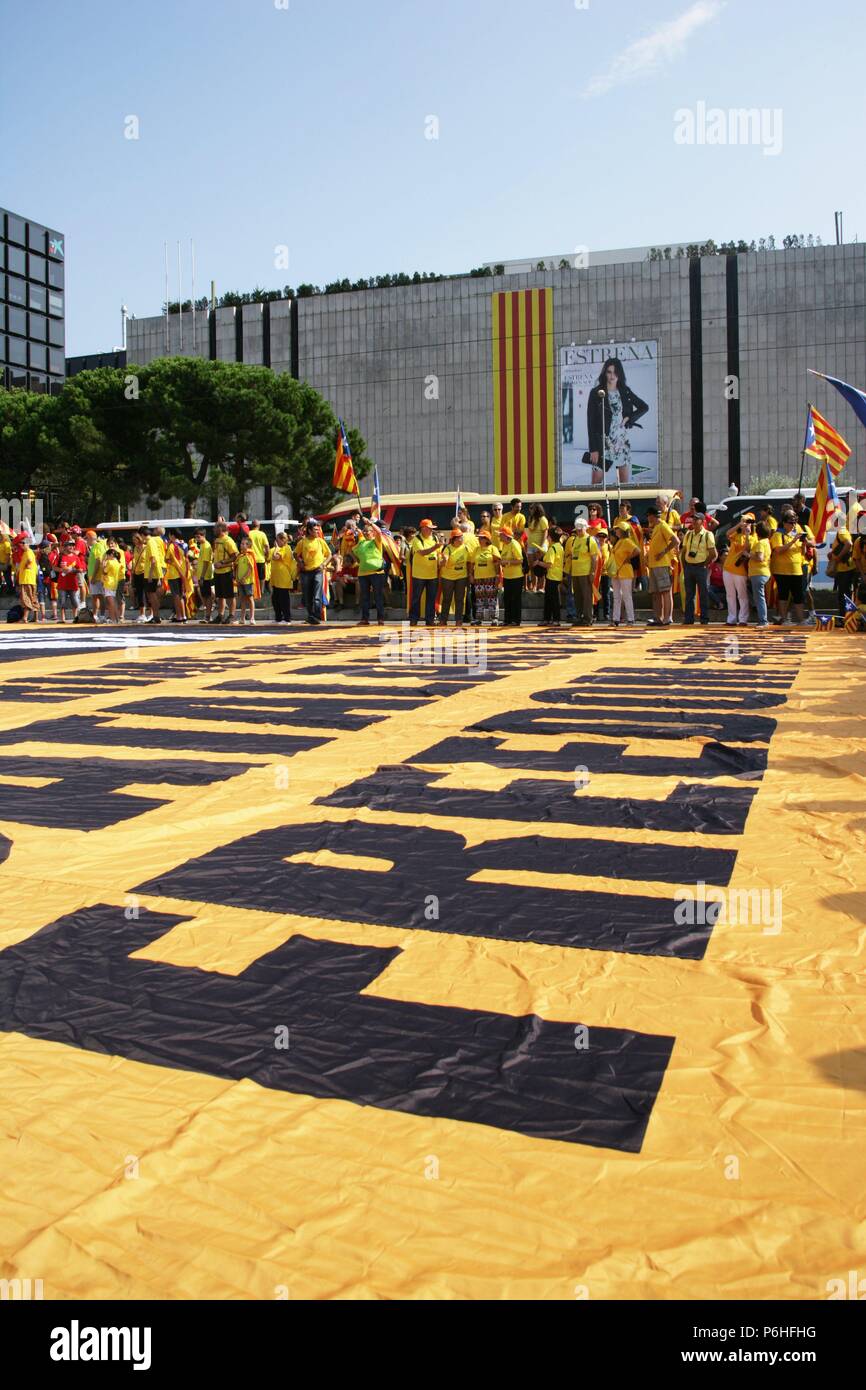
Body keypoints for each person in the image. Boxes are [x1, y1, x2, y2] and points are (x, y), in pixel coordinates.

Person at [587, 357, 649, 486]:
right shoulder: (596, 393)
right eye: (609, 372)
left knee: (624, 484)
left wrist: (629, 418)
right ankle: (596, 507)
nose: (612, 375)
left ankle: (623, 506)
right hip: (602, 442)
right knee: (595, 483)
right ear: (605, 373)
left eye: (615, 372)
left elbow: (644, 407)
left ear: (619, 374)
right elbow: (591, 422)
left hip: (621, 441)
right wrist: (593, 449)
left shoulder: (625, 391)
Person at [771, 511, 812, 625]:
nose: (793, 525)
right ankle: (784, 619)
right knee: (783, 595)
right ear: (784, 523)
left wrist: (804, 544)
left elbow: (802, 553)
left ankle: (801, 619)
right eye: (790, 522)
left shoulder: (797, 534)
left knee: (798, 596)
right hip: (782, 571)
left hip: (797, 570)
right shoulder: (778, 535)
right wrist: (793, 541)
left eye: (794, 522)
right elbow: (778, 550)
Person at [680, 510, 717, 625]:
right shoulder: (688, 534)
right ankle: (689, 618)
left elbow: (713, 553)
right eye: (693, 519)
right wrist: (685, 565)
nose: (694, 521)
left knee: (703, 593)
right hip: (689, 567)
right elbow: (684, 551)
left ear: (703, 522)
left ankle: (704, 618)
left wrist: (705, 564)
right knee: (689, 594)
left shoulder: (707, 535)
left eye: (697, 519)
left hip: (701, 567)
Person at [644, 507, 678, 626]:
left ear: (652, 516)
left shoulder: (663, 525)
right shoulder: (656, 528)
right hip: (654, 565)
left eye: (648, 516)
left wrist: (664, 552)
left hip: (662, 564)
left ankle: (668, 617)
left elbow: (675, 540)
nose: (648, 518)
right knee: (656, 592)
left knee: (665, 591)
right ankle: (658, 617)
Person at [295, 520, 332, 625]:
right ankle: (310, 616)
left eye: (318, 529)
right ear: (310, 530)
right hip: (306, 572)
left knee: (317, 595)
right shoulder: (302, 542)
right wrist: (300, 562)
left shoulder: (320, 541)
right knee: (307, 596)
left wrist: (324, 564)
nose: (318, 531)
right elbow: (295, 554)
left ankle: (316, 616)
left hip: (318, 571)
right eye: (315, 529)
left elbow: (329, 554)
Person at [353, 519, 386, 626]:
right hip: (363, 573)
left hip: (377, 573)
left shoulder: (376, 541)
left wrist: (371, 523)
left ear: (373, 532)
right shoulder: (361, 542)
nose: (367, 532)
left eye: (369, 531)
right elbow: (352, 551)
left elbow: (379, 532)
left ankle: (380, 618)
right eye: (365, 531)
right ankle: (365, 619)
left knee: (378, 596)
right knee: (365, 597)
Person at [567, 516, 599, 627]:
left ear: (586, 528)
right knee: (577, 596)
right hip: (575, 572)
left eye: (581, 529)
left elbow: (594, 558)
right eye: (577, 529)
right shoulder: (575, 539)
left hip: (585, 572)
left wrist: (592, 572)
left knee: (587, 597)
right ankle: (579, 617)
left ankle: (588, 618)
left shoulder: (590, 540)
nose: (579, 531)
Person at [407, 518, 440, 626]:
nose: (431, 530)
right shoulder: (416, 540)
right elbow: (422, 553)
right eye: (429, 528)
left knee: (431, 598)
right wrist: (435, 547)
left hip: (432, 574)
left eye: (431, 528)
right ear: (423, 529)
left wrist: (442, 559)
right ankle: (414, 618)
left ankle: (430, 619)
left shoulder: (435, 538)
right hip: (419, 574)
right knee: (416, 597)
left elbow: (439, 553)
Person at [609, 521, 641, 626]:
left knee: (627, 596)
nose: (616, 531)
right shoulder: (619, 542)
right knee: (616, 596)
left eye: (618, 529)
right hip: (616, 571)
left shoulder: (627, 541)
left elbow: (638, 550)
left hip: (625, 571)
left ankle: (631, 619)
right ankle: (616, 619)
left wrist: (628, 558)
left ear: (622, 531)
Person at [722, 515, 752, 626]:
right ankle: (731, 618)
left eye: (747, 522)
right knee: (730, 595)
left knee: (742, 595)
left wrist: (748, 533)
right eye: (743, 521)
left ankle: (743, 619)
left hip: (740, 570)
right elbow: (727, 534)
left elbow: (748, 547)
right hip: (728, 568)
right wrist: (739, 525)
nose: (745, 524)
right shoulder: (737, 534)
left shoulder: (753, 536)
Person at [438, 526, 470, 626]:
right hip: (448, 578)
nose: (462, 538)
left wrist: (469, 574)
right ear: (455, 539)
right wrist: (444, 560)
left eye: (462, 536)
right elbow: (443, 562)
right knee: (447, 599)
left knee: (459, 599)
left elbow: (469, 562)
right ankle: (443, 620)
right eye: (460, 537)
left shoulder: (465, 548)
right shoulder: (447, 548)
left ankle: (458, 620)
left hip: (461, 577)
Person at [470, 529, 502, 625]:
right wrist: (471, 575)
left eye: (481, 538)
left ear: (487, 539)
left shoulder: (493, 548)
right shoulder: (476, 549)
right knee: (479, 599)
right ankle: (479, 619)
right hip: (478, 578)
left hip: (491, 577)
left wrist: (497, 576)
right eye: (479, 538)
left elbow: (497, 563)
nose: (479, 540)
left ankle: (494, 619)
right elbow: (472, 564)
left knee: (492, 598)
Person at [211, 521, 239, 625]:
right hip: (218, 572)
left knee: (229, 595)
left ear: (221, 529)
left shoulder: (228, 541)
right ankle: (220, 615)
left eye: (215, 528)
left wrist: (222, 562)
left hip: (226, 571)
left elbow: (235, 556)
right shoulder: (217, 540)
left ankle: (232, 615)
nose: (214, 530)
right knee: (220, 595)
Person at [828, 523, 857, 615]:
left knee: (844, 595)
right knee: (846, 594)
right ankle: (846, 617)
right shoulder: (842, 531)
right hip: (846, 568)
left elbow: (848, 543)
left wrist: (838, 558)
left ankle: (845, 618)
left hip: (844, 569)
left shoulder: (842, 531)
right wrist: (833, 553)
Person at [748, 522, 773, 628]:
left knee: (759, 597)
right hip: (764, 572)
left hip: (758, 573)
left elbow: (760, 558)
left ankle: (763, 620)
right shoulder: (767, 542)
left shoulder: (760, 543)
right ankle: (762, 620)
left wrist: (748, 554)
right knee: (760, 597)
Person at [499, 526, 524, 625]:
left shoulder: (514, 544)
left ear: (505, 536)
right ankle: (507, 620)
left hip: (516, 577)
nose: (499, 536)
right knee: (507, 599)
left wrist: (507, 562)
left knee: (515, 599)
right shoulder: (505, 545)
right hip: (507, 576)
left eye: (501, 534)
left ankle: (516, 620)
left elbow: (520, 560)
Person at [270, 531, 297, 622]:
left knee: (283, 599)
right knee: (275, 599)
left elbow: (275, 557)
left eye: (277, 540)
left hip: (283, 578)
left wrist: (276, 548)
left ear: (282, 540)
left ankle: (287, 617)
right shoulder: (277, 548)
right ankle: (278, 617)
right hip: (276, 578)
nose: (276, 542)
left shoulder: (286, 548)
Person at [165, 530, 191, 623]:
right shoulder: (184, 545)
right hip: (183, 573)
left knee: (176, 596)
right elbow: (187, 558)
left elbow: (167, 559)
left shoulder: (172, 546)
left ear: (172, 535)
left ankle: (179, 616)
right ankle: (183, 615)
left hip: (174, 573)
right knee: (181, 595)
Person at [541, 526, 565, 625]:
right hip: (557, 576)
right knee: (553, 599)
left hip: (551, 576)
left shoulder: (552, 548)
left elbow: (549, 564)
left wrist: (538, 563)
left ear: (550, 537)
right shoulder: (560, 547)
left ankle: (554, 619)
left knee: (551, 600)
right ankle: (551, 619)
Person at [525, 503, 549, 592]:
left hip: (540, 546)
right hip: (531, 546)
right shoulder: (531, 518)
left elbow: (545, 533)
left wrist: (541, 546)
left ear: (537, 509)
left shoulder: (542, 519)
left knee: (541, 568)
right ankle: (534, 586)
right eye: (530, 508)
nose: (530, 510)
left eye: (532, 508)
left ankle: (542, 587)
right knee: (532, 567)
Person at [236, 536, 259, 625]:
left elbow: (250, 569)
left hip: (247, 581)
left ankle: (252, 617)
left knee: (250, 598)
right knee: (242, 599)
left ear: (248, 545)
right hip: (240, 581)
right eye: (241, 544)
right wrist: (237, 578)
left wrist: (244, 578)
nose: (242, 545)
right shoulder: (240, 556)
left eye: (244, 544)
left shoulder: (249, 555)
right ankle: (242, 618)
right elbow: (237, 568)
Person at [16, 536, 39, 622]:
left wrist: (27, 565)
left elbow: (29, 560)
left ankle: (25, 617)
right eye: (21, 544)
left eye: (23, 543)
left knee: (26, 598)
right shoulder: (27, 552)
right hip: (30, 579)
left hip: (27, 579)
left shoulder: (28, 552)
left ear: (27, 544)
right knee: (33, 597)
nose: (21, 545)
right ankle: (35, 617)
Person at [194, 528, 215, 623]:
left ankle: (208, 616)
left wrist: (202, 576)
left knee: (208, 596)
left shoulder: (206, 546)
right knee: (205, 596)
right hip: (202, 575)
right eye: (196, 537)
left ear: (203, 536)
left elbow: (206, 563)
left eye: (198, 537)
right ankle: (207, 615)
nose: (197, 539)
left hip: (206, 576)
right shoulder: (202, 545)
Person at [100, 544, 124, 624]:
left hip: (109, 582)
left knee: (111, 602)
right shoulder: (117, 562)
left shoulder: (110, 562)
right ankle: (116, 618)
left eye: (107, 555)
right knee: (112, 601)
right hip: (114, 583)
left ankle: (113, 619)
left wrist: (103, 564)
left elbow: (104, 571)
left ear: (110, 555)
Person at [247, 520, 270, 593]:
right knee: (262, 577)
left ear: (251, 526)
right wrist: (267, 556)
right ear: (259, 526)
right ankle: (261, 591)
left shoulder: (248, 533)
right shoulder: (262, 534)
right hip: (261, 559)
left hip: (251, 559)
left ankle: (252, 591)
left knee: (251, 576)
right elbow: (267, 547)